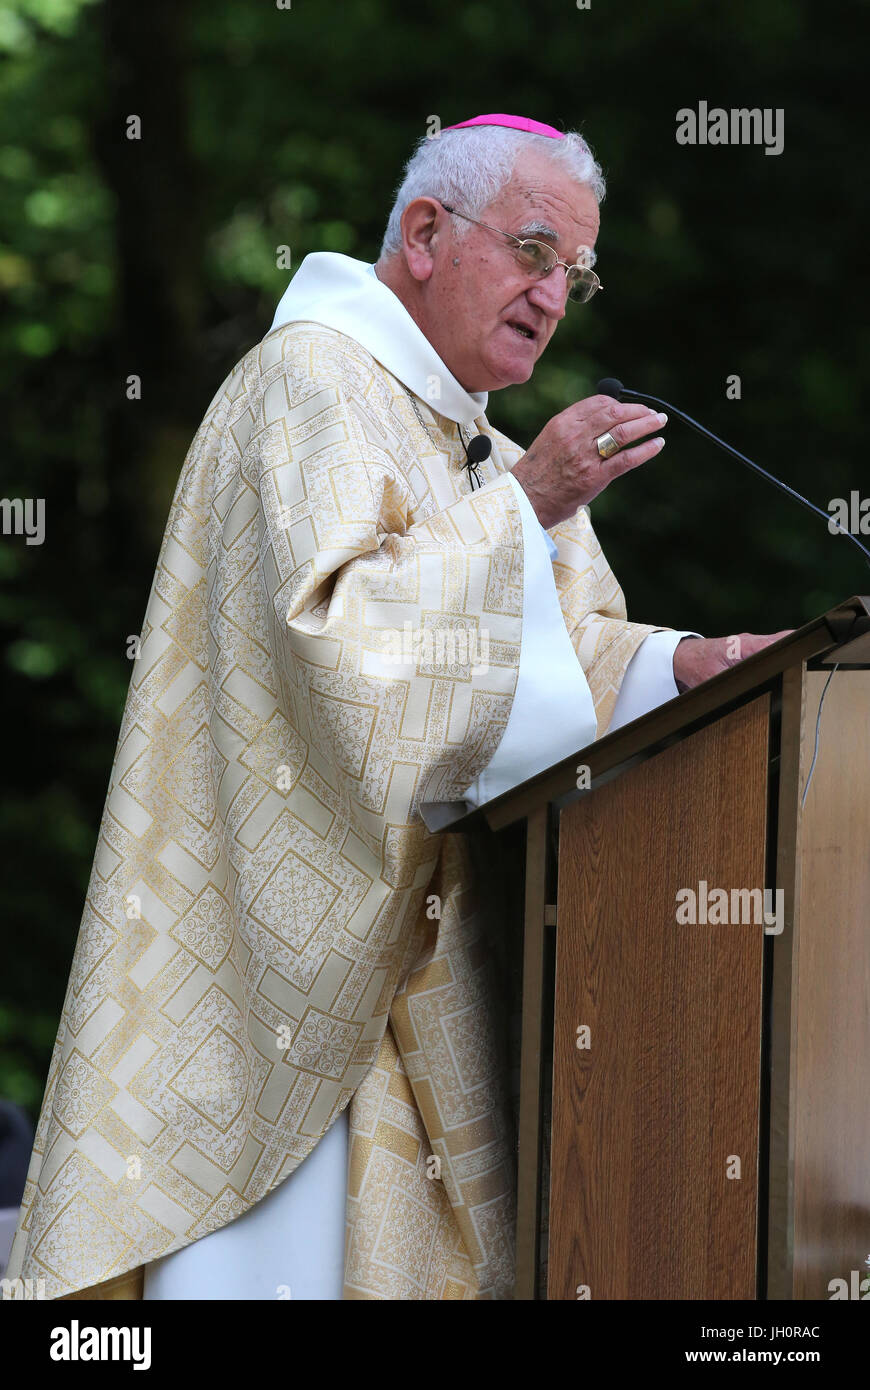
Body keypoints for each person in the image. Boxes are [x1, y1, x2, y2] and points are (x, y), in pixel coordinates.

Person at [4, 113, 787, 1303]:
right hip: (289, 993)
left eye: (574, 273)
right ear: (426, 232)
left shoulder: (476, 447)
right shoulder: (308, 382)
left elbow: (564, 645)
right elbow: (341, 648)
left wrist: (695, 663)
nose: (554, 295)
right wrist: (525, 503)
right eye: (534, 251)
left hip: (429, 977)